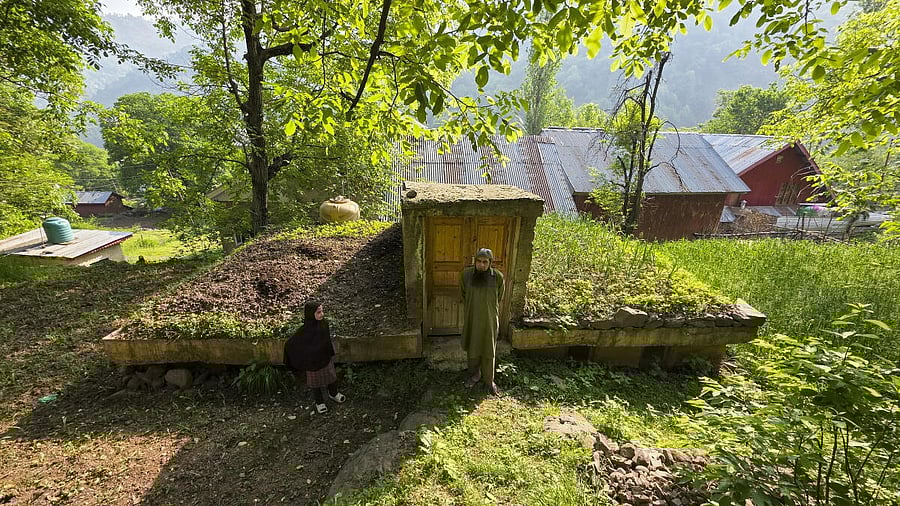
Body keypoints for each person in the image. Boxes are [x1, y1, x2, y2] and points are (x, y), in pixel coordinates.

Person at [283, 300, 346, 414]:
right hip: (312, 362)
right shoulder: (305, 330)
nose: (321, 314)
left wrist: (330, 353)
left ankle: (333, 393)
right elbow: (292, 343)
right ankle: (319, 402)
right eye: (318, 312)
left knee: (331, 377)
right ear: (311, 314)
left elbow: (326, 341)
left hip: (325, 358)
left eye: (322, 311)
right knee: (315, 383)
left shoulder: (324, 324)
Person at [459, 247, 505, 395]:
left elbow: (499, 297)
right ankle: (474, 375)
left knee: (488, 350)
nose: (482, 265)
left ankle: (489, 380)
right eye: (479, 261)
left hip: (489, 321)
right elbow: (463, 293)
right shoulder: (466, 275)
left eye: (485, 262)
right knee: (472, 348)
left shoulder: (497, 277)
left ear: (490, 263)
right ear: (475, 261)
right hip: (472, 318)